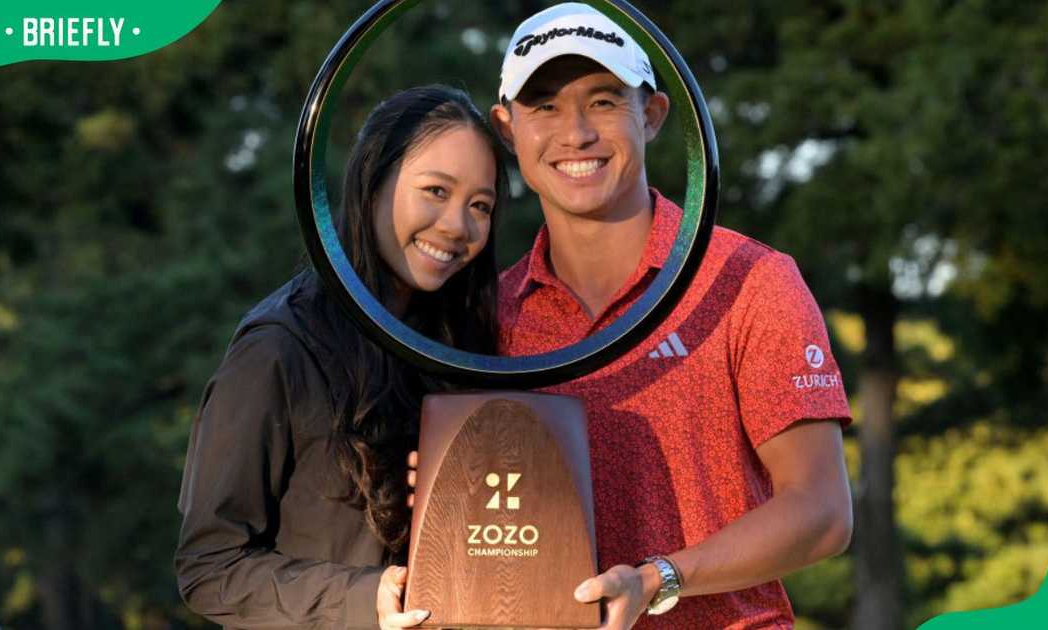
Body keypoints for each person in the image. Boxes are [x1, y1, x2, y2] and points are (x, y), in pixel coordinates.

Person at [489, 4, 854, 628]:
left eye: (604, 101)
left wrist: (663, 577)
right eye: (544, 106)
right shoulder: (489, 313)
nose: (575, 133)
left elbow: (821, 511)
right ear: (506, 129)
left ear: (652, 115)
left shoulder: (748, 280)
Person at [174, 85, 509, 630]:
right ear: (372, 184)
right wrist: (362, 598)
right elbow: (208, 568)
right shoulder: (279, 347)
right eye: (435, 191)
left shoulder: (463, 349)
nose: (456, 226)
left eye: (480, 206)